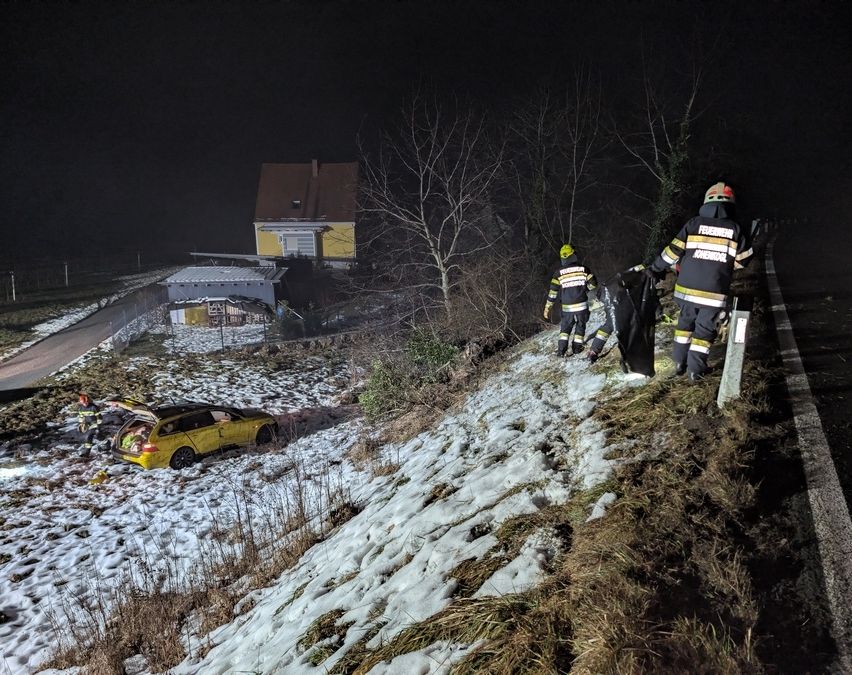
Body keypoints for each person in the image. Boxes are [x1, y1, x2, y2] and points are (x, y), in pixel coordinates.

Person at [646, 181, 753, 381]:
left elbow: (671, 252)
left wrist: (655, 269)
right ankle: (695, 371)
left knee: (684, 325)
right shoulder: (735, 229)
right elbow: (745, 259)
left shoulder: (693, 224)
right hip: (713, 292)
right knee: (704, 331)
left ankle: (679, 363)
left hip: (686, 289)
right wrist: (724, 267)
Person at [543, 244, 598, 357]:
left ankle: (561, 351)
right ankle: (577, 348)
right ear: (573, 255)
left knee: (565, 328)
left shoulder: (557, 274)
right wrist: (584, 290)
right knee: (580, 325)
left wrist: (547, 308)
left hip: (566, 307)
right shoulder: (584, 269)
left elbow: (553, 293)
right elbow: (594, 284)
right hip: (582, 305)